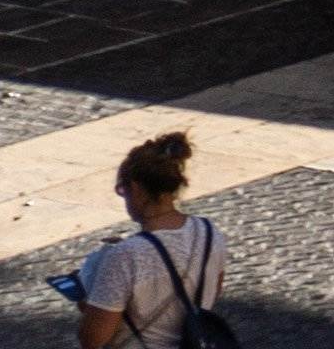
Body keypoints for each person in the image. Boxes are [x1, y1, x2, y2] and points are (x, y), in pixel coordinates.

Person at [68, 135, 224, 349]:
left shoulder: (126, 256)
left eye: (122, 190)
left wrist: (88, 301)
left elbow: (93, 339)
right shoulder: (209, 233)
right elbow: (209, 293)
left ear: (136, 188)